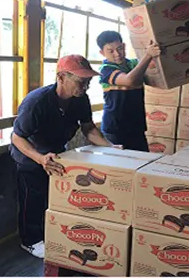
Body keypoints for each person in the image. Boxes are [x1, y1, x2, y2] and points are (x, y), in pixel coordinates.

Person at [10, 55, 117, 258]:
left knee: (57, 195)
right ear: (61, 77)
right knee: (33, 196)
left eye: (88, 81)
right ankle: (30, 241)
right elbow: (17, 137)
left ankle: (54, 232)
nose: (85, 86)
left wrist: (111, 148)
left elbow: (88, 128)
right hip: (30, 154)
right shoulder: (36, 102)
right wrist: (40, 158)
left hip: (56, 151)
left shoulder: (80, 99)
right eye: (81, 81)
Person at [96, 31, 161, 152]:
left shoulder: (133, 64)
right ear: (102, 53)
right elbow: (129, 81)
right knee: (119, 163)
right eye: (111, 51)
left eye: (119, 48)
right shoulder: (105, 70)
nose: (117, 54)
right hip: (116, 129)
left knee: (143, 161)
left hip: (136, 127)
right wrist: (148, 55)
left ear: (124, 46)